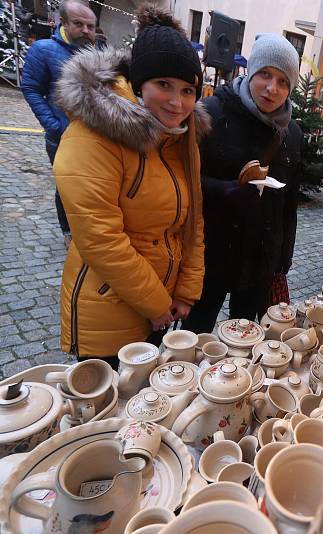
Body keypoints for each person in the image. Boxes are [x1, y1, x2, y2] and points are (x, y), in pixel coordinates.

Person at [53, 5, 207, 368]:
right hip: (109, 310)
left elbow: (193, 222)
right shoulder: (94, 133)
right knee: (105, 417)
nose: (177, 102)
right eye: (164, 85)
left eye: (188, 90)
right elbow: (100, 238)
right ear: (140, 84)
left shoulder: (182, 137)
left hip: (162, 307)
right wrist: (155, 303)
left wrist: (185, 291)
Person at [182, 33, 304, 334]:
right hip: (212, 252)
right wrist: (223, 190)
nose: (272, 88)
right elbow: (182, 181)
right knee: (196, 333)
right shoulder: (211, 113)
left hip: (260, 257)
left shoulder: (292, 134)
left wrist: (283, 258)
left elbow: (290, 204)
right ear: (251, 70)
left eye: (283, 81)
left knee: (245, 338)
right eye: (265, 74)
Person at [21, 0, 97, 246]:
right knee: (67, 186)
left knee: (92, 185)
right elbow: (31, 88)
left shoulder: (94, 53)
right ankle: (69, 232)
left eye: (90, 26)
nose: (86, 30)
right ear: (63, 22)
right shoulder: (43, 49)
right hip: (61, 136)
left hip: (93, 138)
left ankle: (88, 228)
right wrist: (53, 124)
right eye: (79, 24)